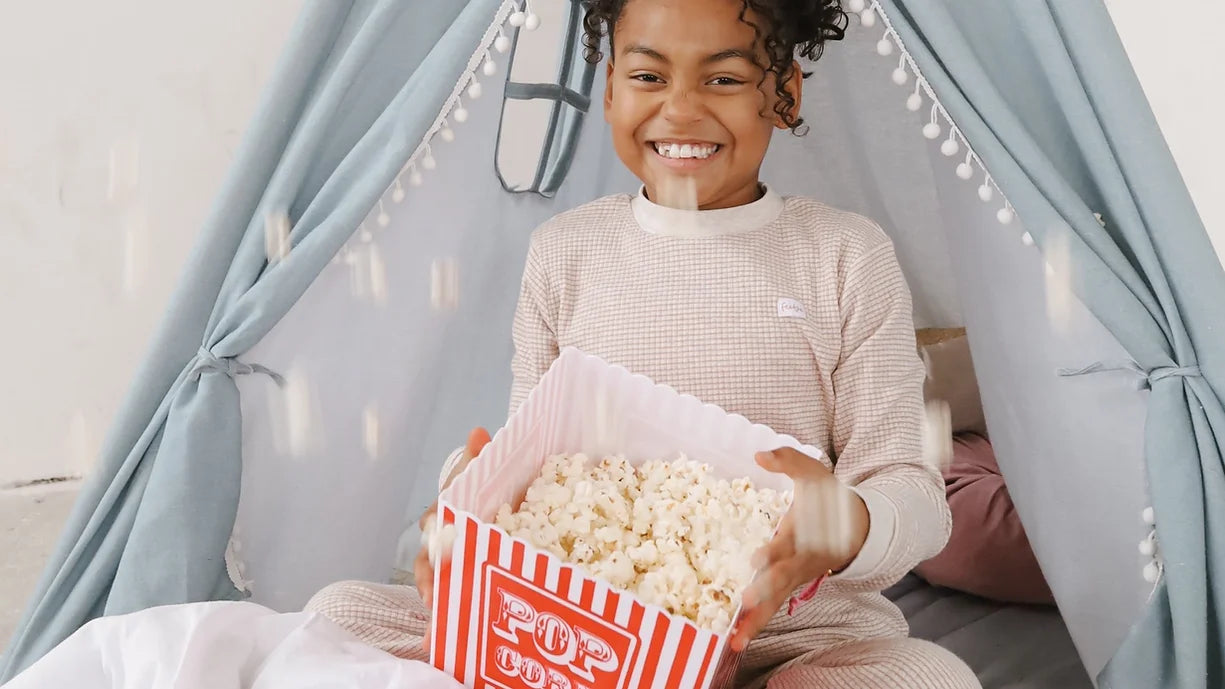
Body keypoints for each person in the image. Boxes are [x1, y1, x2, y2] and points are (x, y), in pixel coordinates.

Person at [308, 1, 979, 686]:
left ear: (782, 93)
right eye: (649, 77)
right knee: (338, 614)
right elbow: (529, 462)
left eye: (721, 79)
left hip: (790, 639)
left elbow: (910, 489)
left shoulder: (845, 256)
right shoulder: (564, 253)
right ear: (608, 92)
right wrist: (464, 501)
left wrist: (848, 524)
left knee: (930, 677)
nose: (680, 111)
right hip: (578, 625)